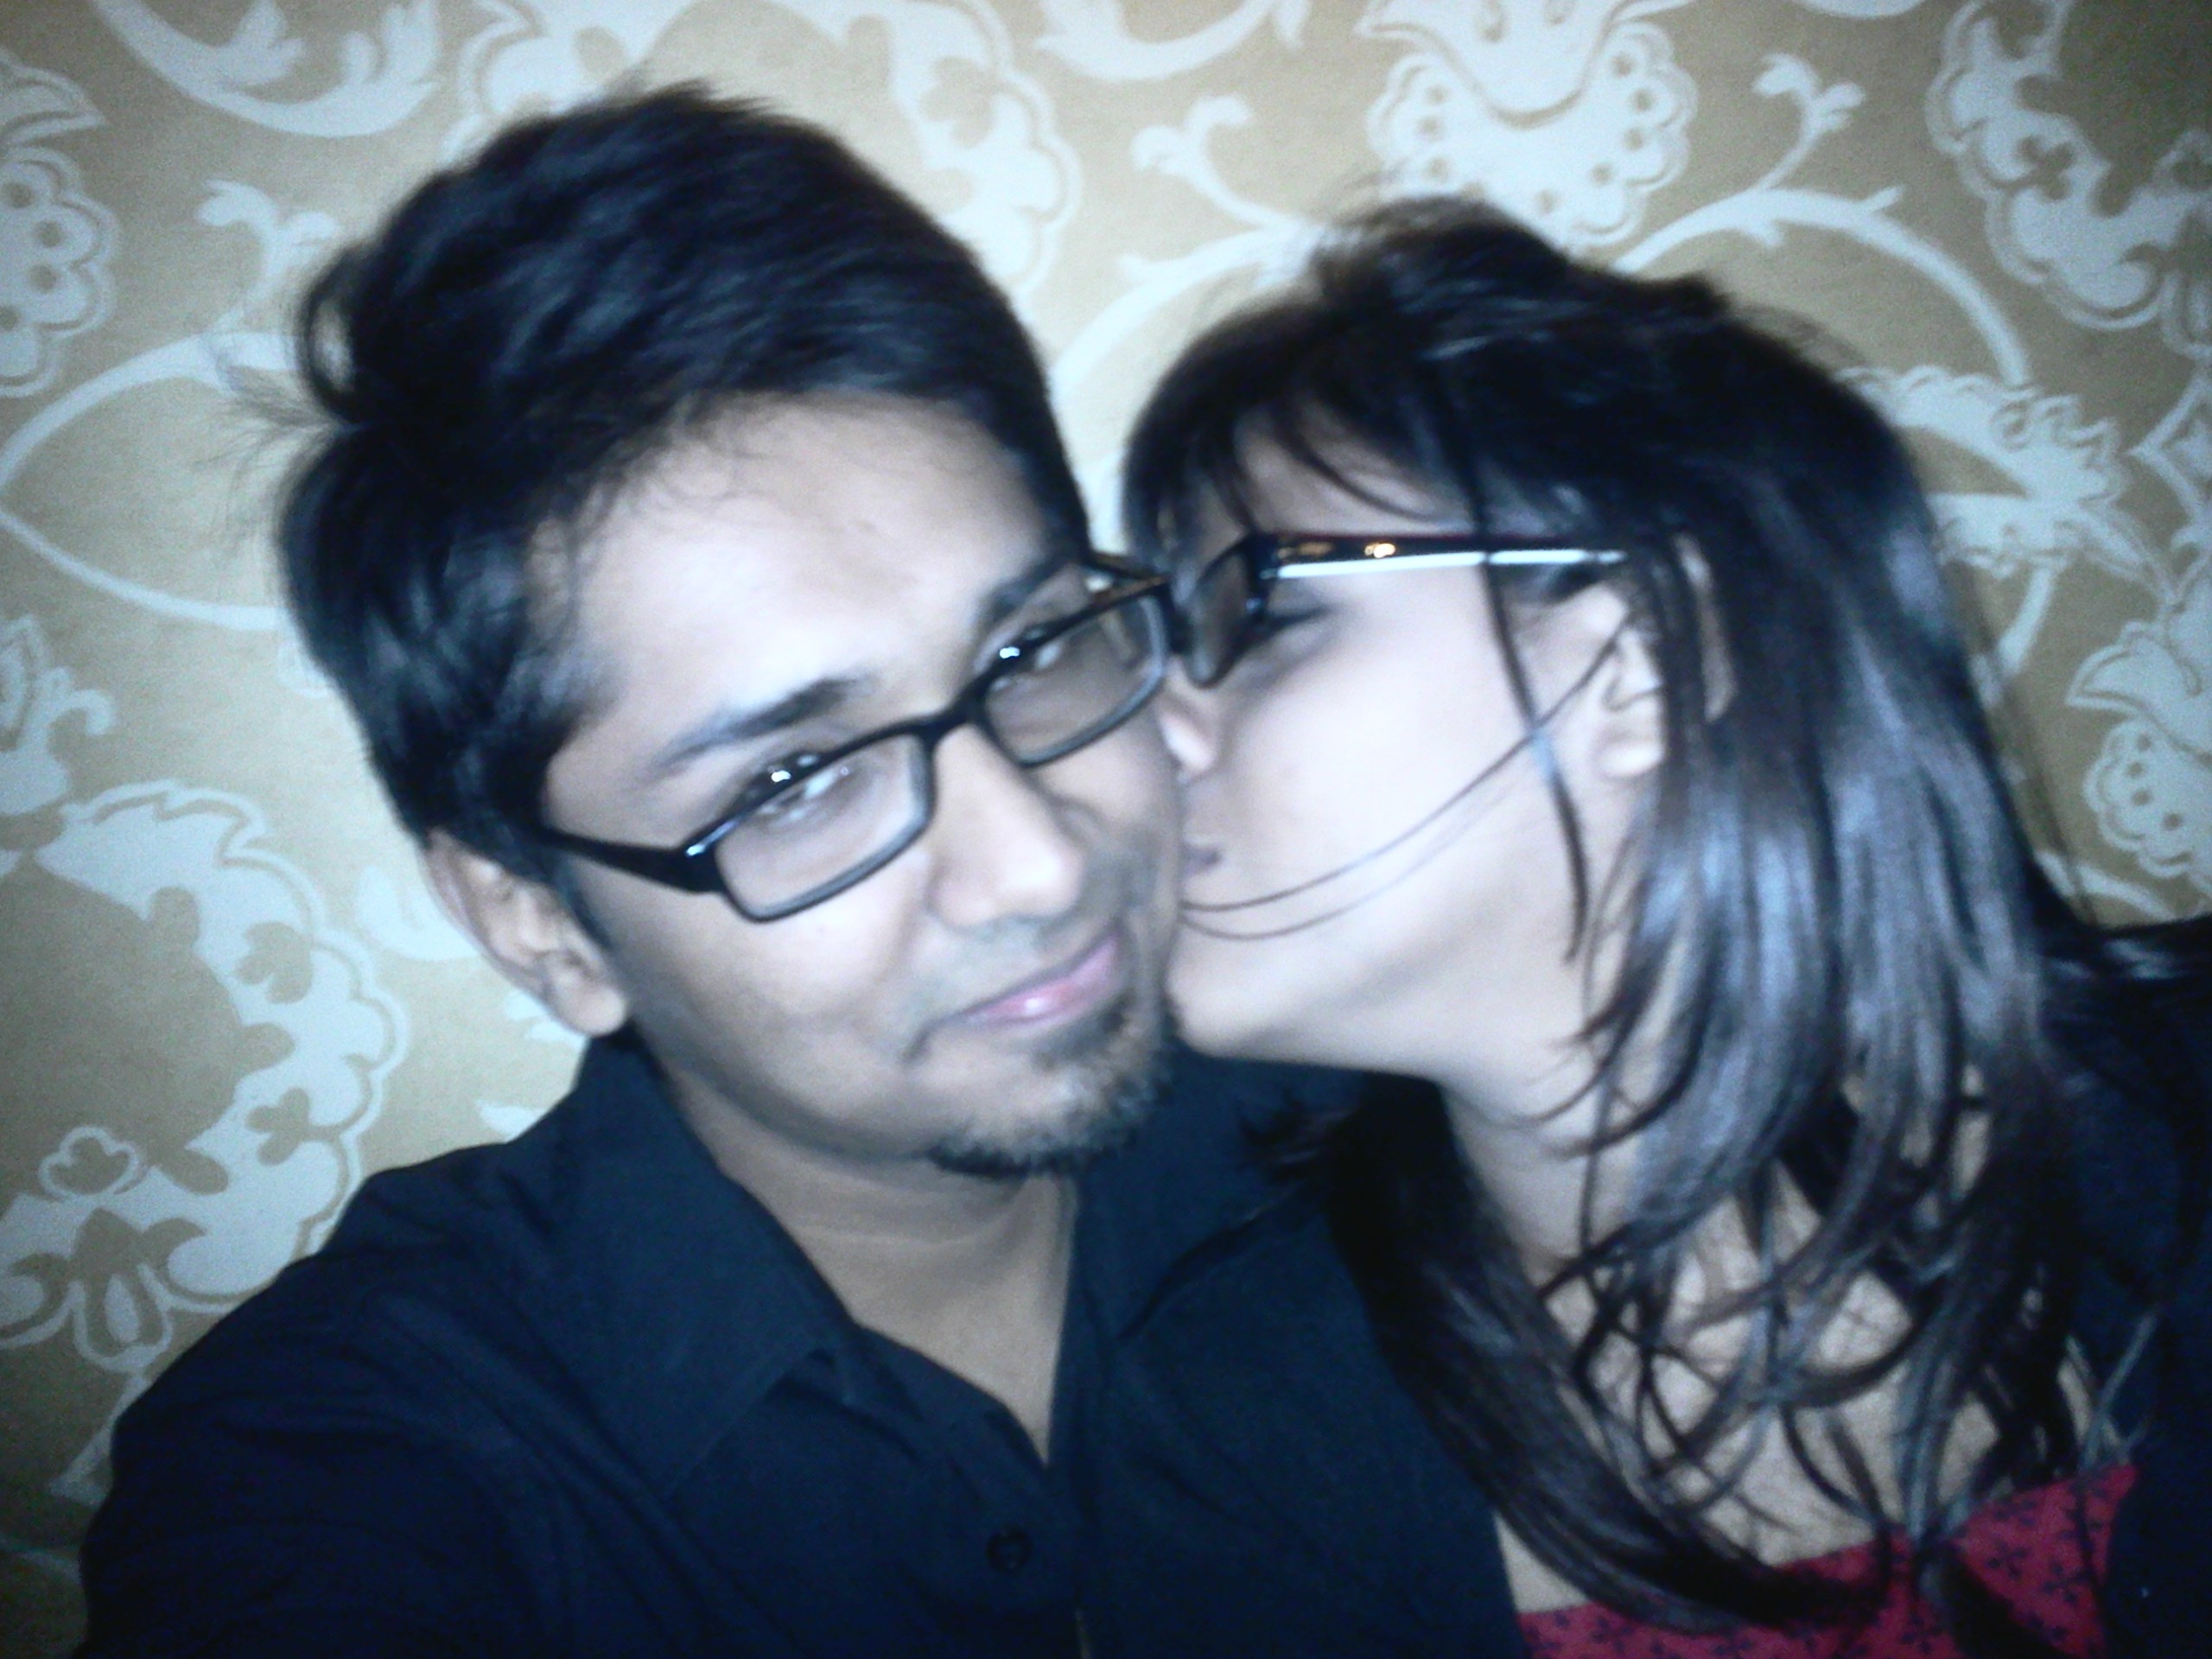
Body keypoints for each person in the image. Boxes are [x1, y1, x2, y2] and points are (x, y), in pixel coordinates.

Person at [77, 88, 1338, 1657]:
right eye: (793, 782)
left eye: (1029, 652)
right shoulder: (351, 1463)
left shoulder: (1362, 1116)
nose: (1033, 864)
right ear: (539, 925)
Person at [1083, 200, 2212, 1659]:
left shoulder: (2182, 1135)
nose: (1145, 733)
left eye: (1263, 611)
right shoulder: (1233, 1429)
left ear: (1644, 665)